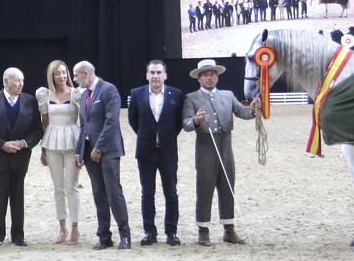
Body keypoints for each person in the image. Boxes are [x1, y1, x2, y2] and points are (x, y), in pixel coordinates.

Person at [182, 58, 255, 246]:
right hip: (205, 147)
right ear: (199, 78)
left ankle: (229, 230)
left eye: (212, 74)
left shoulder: (228, 95)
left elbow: (243, 113)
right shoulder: (191, 98)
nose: (209, 78)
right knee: (205, 189)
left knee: (228, 187)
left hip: (226, 146)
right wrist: (197, 120)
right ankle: (203, 230)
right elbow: (187, 125)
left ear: (217, 77)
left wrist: (253, 110)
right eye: (205, 75)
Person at [0, 67, 42, 248]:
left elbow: (37, 129)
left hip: (21, 157)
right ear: (6, 81)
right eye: (16, 80)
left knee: (18, 197)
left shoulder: (30, 101)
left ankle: (18, 235)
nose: (20, 84)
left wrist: (24, 143)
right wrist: (1, 144)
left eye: (22, 80)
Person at [73, 60, 131, 250]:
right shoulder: (83, 96)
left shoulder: (109, 90)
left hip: (108, 150)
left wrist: (99, 148)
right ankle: (104, 236)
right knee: (99, 194)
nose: (74, 79)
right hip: (90, 151)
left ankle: (125, 235)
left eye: (76, 75)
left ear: (87, 74)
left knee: (114, 192)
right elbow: (84, 126)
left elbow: (112, 121)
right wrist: (79, 151)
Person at [128, 59, 186, 246]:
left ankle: (171, 232)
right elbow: (133, 120)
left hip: (168, 152)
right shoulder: (136, 94)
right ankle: (149, 232)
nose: (155, 76)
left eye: (159, 73)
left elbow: (178, 123)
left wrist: (164, 137)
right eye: (152, 73)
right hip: (145, 152)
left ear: (165, 75)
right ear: (146, 75)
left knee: (171, 193)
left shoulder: (176, 94)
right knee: (147, 193)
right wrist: (149, 137)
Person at [36, 60, 82, 245]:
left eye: (64, 73)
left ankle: (75, 228)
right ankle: (62, 228)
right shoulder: (44, 95)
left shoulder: (77, 94)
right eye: (57, 73)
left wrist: (82, 148)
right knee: (58, 188)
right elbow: (44, 121)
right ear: (51, 76)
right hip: (52, 141)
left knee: (72, 186)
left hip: (72, 140)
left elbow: (83, 119)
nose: (61, 76)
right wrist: (43, 149)